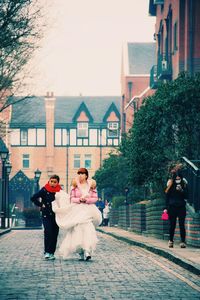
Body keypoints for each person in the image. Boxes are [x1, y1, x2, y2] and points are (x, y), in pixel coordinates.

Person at [52, 168, 102, 261]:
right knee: (77, 229)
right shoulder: (74, 186)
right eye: (79, 174)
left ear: (86, 175)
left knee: (87, 228)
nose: (80, 175)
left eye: (82, 174)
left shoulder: (91, 185)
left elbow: (95, 198)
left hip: (88, 209)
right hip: (77, 209)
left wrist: (87, 200)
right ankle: (81, 251)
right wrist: (79, 200)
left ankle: (87, 250)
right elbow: (72, 198)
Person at [31, 174, 62, 260]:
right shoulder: (44, 189)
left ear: (58, 183)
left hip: (56, 215)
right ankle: (47, 252)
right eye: (51, 181)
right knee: (48, 232)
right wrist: (41, 205)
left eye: (55, 182)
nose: (52, 183)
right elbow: (33, 198)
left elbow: (63, 201)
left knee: (54, 234)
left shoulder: (60, 191)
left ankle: (52, 252)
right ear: (49, 181)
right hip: (46, 214)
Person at [164, 170, 188, 248]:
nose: (177, 178)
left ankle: (183, 241)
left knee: (182, 225)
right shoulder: (170, 185)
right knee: (172, 225)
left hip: (181, 207)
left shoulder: (184, 184)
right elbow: (167, 197)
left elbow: (187, 196)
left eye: (179, 177)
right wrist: (165, 208)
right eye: (176, 177)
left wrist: (181, 190)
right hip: (172, 207)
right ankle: (170, 241)